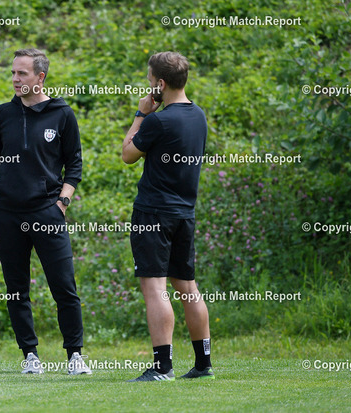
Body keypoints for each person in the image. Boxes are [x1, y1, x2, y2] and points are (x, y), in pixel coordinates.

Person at [0, 48, 91, 375]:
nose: (15, 79)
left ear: (40, 77)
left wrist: (62, 202)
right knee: (17, 288)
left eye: (22, 73)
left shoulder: (62, 114)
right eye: (13, 73)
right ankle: (30, 355)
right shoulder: (2, 114)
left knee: (64, 286)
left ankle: (75, 355)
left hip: (47, 212)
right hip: (6, 213)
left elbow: (75, 164)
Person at [122, 51, 214, 381]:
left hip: (153, 213)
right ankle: (203, 364)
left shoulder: (158, 121)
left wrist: (140, 114)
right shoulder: (198, 116)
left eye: (150, 80)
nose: (148, 86)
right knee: (187, 287)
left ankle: (163, 367)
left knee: (154, 288)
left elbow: (128, 154)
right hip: (184, 214)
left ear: (160, 84)